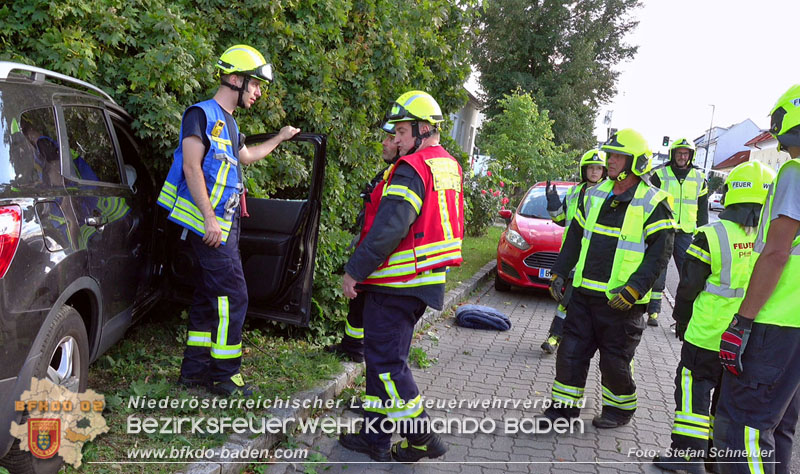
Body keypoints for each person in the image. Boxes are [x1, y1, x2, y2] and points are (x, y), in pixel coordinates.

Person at [157, 44, 300, 396]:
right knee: (234, 297)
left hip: (224, 224)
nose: (258, 92)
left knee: (208, 295)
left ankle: (193, 373)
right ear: (235, 79)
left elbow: (246, 157)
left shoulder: (231, 124)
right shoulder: (200, 115)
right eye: (255, 84)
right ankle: (224, 376)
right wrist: (209, 219)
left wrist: (280, 137)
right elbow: (192, 167)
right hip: (207, 225)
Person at [338, 90, 463, 462]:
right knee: (383, 362)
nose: (397, 139)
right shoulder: (447, 164)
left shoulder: (412, 167)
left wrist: (354, 271)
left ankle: (422, 436)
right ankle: (374, 438)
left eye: (403, 131)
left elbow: (391, 227)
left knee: (388, 366)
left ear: (424, 129)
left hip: (396, 281)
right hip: (423, 279)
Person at [539, 128, 675, 429]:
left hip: (621, 302)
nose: (609, 160)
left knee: (615, 361)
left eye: (617, 156)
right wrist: (560, 272)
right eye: (610, 154)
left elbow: (659, 255)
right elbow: (575, 235)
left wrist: (634, 289)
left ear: (636, 162)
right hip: (583, 294)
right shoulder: (595, 194)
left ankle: (619, 411)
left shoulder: (654, 202)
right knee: (570, 354)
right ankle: (563, 412)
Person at [653, 161, 775, 473]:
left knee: (692, 390)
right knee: (725, 399)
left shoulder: (712, 235)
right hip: (747, 339)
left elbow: (688, 286)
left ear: (731, 193)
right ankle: (713, 459)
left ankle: (687, 457)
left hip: (707, 335)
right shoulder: (774, 240)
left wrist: (681, 319)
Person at [713, 84, 800, 474]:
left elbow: (777, 252)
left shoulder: (795, 172)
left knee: (743, 430)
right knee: (778, 429)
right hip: (795, 331)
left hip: (775, 323)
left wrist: (742, 322)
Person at [325, 120, 402, 363]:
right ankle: (352, 346)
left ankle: (364, 352)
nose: (385, 143)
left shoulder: (401, 177)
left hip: (381, 258)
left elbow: (388, 227)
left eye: (391, 138)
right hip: (369, 250)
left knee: (367, 303)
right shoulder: (389, 173)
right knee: (358, 302)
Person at [541, 149, 607, 354]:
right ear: (583, 170)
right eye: (591, 168)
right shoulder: (573, 192)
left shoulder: (610, 193)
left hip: (595, 258)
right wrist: (552, 202)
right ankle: (556, 337)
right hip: (572, 256)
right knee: (568, 300)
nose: (594, 172)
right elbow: (562, 219)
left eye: (598, 168)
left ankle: (559, 338)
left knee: (574, 301)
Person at [646, 138, 709, 327]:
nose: (682, 156)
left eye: (686, 153)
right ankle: (653, 312)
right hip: (663, 230)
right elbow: (650, 203)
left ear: (691, 156)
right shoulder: (659, 175)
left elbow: (703, 210)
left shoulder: (699, 178)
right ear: (673, 154)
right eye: (679, 153)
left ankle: (684, 317)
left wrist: (703, 234)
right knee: (658, 271)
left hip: (686, 234)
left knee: (689, 275)